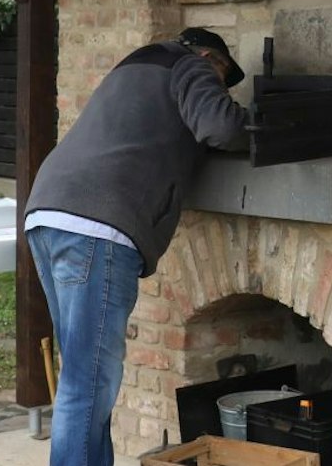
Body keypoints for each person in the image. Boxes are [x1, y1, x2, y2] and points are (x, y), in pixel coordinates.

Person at [23, 27, 250, 465]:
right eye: (222, 76)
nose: (219, 85)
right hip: (98, 226)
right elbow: (222, 127)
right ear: (207, 55)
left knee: (84, 383)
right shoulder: (190, 64)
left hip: (48, 213)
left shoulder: (134, 68)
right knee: (88, 387)